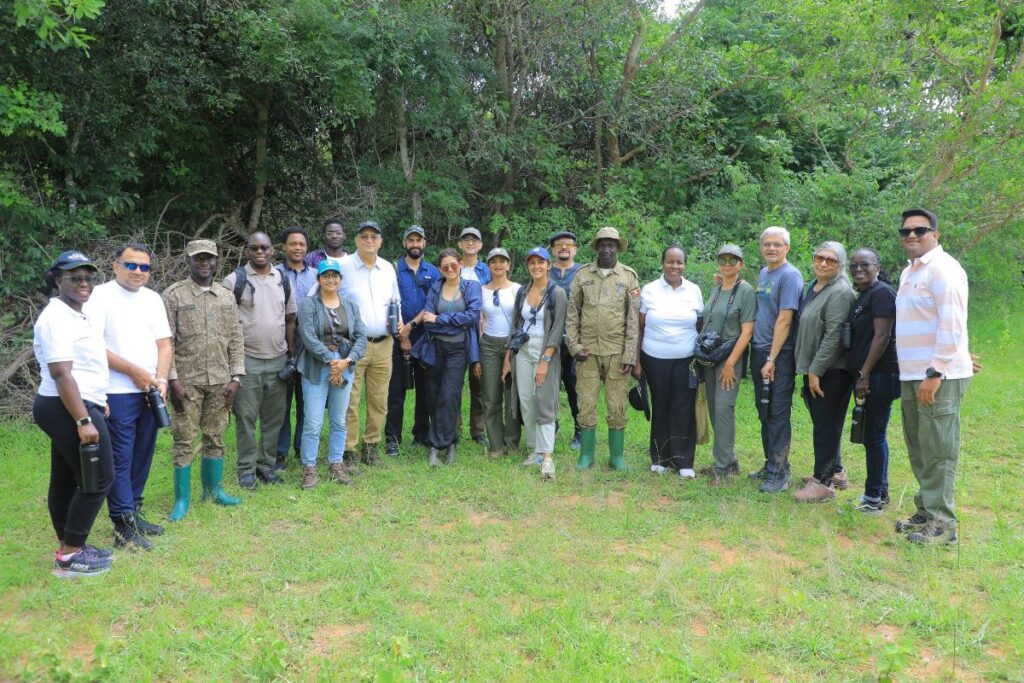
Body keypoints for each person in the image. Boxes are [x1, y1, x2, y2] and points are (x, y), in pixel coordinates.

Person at [82, 243, 171, 551]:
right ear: (115, 265)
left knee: (143, 454)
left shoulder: (153, 299)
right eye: (131, 265)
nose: (137, 272)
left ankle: (134, 511)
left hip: (149, 390)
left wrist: (160, 379)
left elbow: (164, 345)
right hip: (115, 391)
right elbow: (93, 346)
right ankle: (122, 525)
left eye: (144, 267)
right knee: (121, 457)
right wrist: (133, 371)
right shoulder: (100, 297)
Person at [33, 251, 115, 577]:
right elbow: (62, 374)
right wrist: (84, 419)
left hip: (76, 403)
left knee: (67, 479)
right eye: (74, 277)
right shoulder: (56, 317)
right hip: (65, 407)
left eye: (87, 278)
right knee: (99, 479)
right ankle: (69, 557)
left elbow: (83, 367)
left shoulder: (75, 314)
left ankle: (69, 544)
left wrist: (96, 399)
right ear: (57, 280)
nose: (83, 284)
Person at [894, 208, 972, 544]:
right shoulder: (908, 272)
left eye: (920, 230)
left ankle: (944, 525)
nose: (911, 236)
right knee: (919, 446)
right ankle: (926, 512)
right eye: (906, 231)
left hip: (935, 377)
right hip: (913, 374)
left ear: (935, 234)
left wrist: (937, 370)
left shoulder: (944, 269)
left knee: (939, 449)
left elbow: (951, 323)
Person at [163, 240, 245, 520]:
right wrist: (172, 380)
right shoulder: (174, 295)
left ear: (216, 261)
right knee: (184, 438)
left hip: (221, 380)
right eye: (198, 258)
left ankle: (214, 490)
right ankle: (182, 500)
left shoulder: (225, 295)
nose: (204, 263)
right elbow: (167, 342)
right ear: (188, 261)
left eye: (209, 258)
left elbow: (235, 338)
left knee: (216, 435)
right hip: (187, 382)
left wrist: (236, 376)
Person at [222, 231, 297, 489]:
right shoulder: (234, 281)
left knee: (274, 418)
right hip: (247, 360)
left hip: (278, 358)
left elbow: (289, 318)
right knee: (245, 416)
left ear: (272, 251)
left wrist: (291, 353)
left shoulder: (283, 279)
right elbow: (225, 324)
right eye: (254, 248)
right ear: (247, 251)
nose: (260, 252)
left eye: (264, 248)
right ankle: (246, 469)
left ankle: (266, 466)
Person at [566, 226, 641, 470]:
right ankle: (586, 455)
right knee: (586, 402)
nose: (607, 249)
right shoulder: (582, 275)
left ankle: (616, 457)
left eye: (612, 244)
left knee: (617, 404)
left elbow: (633, 319)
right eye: (603, 244)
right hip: (587, 352)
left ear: (618, 248)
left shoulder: (628, 277)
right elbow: (572, 313)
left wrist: (630, 354)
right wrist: (574, 345)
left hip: (617, 353)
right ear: (596, 247)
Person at [792, 242, 856, 503]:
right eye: (819, 257)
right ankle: (837, 472)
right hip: (816, 368)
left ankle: (823, 483)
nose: (823, 263)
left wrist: (815, 371)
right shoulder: (817, 286)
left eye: (830, 260)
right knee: (825, 423)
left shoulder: (840, 292)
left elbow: (834, 337)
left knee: (825, 427)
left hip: (832, 371)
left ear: (840, 265)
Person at [296, 258, 368, 488]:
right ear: (318, 279)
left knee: (338, 420)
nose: (330, 279)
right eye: (326, 275)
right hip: (316, 369)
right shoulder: (309, 304)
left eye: (334, 276)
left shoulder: (350, 305)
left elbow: (361, 336)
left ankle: (336, 463)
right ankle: (309, 468)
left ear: (340, 279)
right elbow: (308, 337)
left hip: (345, 367)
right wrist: (331, 361)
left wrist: (347, 361)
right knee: (313, 422)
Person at [634, 246, 704, 479]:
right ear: (662, 263)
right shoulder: (650, 289)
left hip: (686, 360)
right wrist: (637, 360)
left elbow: (700, 325)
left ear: (685, 264)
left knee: (683, 407)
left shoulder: (694, 290)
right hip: (654, 358)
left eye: (679, 262)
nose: (674, 266)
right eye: (670, 261)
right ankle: (660, 458)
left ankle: (683, 460)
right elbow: (640, 326)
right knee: (661, 406)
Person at [410, 248, 483, 466]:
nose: (450, 269)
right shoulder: (436, 286)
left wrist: (441, 319)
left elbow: (472, 316)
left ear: (460, 264)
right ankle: (449, 442)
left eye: (453, 265)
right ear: (440, 269)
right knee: (433, 394)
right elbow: (428, 316)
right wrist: (448, 321)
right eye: (445, 267)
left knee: (449, 395)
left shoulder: (471, 287)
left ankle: (435, 447)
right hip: (435, 348)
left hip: (458, 350)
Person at [339, 220, 402, 465]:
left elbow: (395, 301)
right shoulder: (342, 266)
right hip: (354, 345)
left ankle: (371, 447)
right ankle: (349, 450)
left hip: (384, 344)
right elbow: (322, 297)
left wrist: (399, 322)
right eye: (364, 236)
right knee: (350, 401)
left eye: (374, 236)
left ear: (380, 241)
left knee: (379, 400)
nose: (369, 240)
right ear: (356, 240)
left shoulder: (388, 268)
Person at [503, 247, 567, 479]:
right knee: (527, 400)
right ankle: (535, 450)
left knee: (544, 401)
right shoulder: (522, 291)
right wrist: (509, 357)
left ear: (548, 265)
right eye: (532, 263)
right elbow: (515, 325)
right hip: (522, 350)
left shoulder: (557, 292)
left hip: (545, 349)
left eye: (541, 262)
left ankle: (547, 456)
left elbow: (558, 328)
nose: (536, 267)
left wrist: (545, 360)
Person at [749, 226, 804, 493]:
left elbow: (785, 319)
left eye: (777, 244)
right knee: (764, 411)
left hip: (778, 355)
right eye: (767, 244)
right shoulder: (764, 273)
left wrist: (771, 358)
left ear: (787, 248)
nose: (771, 248)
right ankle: (771, 463)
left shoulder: (790, 276)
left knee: (778, 413)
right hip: (759, 350)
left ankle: (779, 473)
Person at [846, 248, 899, 513]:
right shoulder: (864, 295)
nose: (858, 269)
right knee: (871, 435)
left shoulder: (882, 293)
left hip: (880, 374)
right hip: (869, 374)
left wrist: (864, 374)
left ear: (877, 266)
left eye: (864, 264)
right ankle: (881, 491)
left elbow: (882, 336)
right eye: (853, 265)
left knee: (874, 436)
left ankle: (873, 498)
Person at [698, 245, 756, 486]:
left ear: (741, 264)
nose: (727, 263)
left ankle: (721, 472)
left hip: (729, 360)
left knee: (723, 409)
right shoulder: (717, 287)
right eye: (723, 258)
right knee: (713, 407)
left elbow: (747, 331)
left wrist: (731, 362)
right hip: (711, 357)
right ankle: (729, 460)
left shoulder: (746, 291)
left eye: (733, 259)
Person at [386, 225, 440, 455]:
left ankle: (422, 433)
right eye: (411, 240)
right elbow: (390, 302)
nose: (415, 244)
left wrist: (411, 327)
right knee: (396, 391)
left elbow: (434, 303)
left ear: (424, 243)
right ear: (404, 243)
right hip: (398, 339)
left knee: (426, 389)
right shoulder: (393, 270)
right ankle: (392, 439)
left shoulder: (433, 271)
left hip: (425, 338)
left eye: (419, 240)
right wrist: (401, 334)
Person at [274, 225, 319, 470]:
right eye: (293, 244)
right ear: (284, 247)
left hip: (310, 346)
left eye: (302, 244)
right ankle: (279, 454)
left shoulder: (316, 275)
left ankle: (303, 450)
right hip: (281, 344)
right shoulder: (274, 274)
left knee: (306, 402)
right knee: (282, 403)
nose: (298, 248)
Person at [478, 248, 522, 459]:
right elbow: (479, 321)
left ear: (508, 265)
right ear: (488, 266)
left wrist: (513, 348)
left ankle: (511, 443)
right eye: (493, 262)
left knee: (511, 396)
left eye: (502, 261)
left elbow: (522, 321)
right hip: (488, 346)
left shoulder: (517, 289)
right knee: (490, 396)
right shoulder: (482, 290)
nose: (498, 265)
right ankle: (495, 445)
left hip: (511, 345)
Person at [549, 230, 584, 449]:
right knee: (549, 385)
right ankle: (551, 425)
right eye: (559, 244)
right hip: (549, 337)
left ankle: (580, 430)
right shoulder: (543, 270)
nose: (564, 247)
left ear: (575, 249)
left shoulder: (583, 272)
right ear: (552, 249)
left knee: (574, 386)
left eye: (569, 244)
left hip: (575, 339)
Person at [457, 227, 490, 446]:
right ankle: (454, 429)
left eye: (474, 240)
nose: (470, 243)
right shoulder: (453, 267)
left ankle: (478, 430)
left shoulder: (487, 270)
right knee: (454, 382)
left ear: (480, 245)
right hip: (457, 331)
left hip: (481, 331)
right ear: (460, 244)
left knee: (479, 383)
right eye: (466, 240)